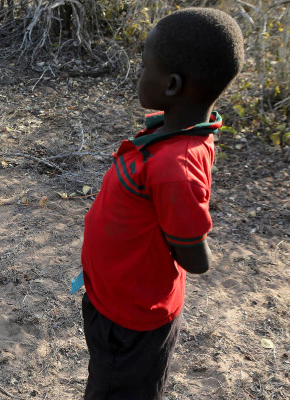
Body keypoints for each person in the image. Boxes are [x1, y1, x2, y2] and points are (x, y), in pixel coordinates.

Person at [76, 8, 244, 399]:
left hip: (131, 323)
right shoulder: (174, 134)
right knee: (107, 382)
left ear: (171, 85)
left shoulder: (174, 165)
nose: (139, 75)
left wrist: (187, 238)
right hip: (116, 301)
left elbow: (194, 258)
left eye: (143, 66)